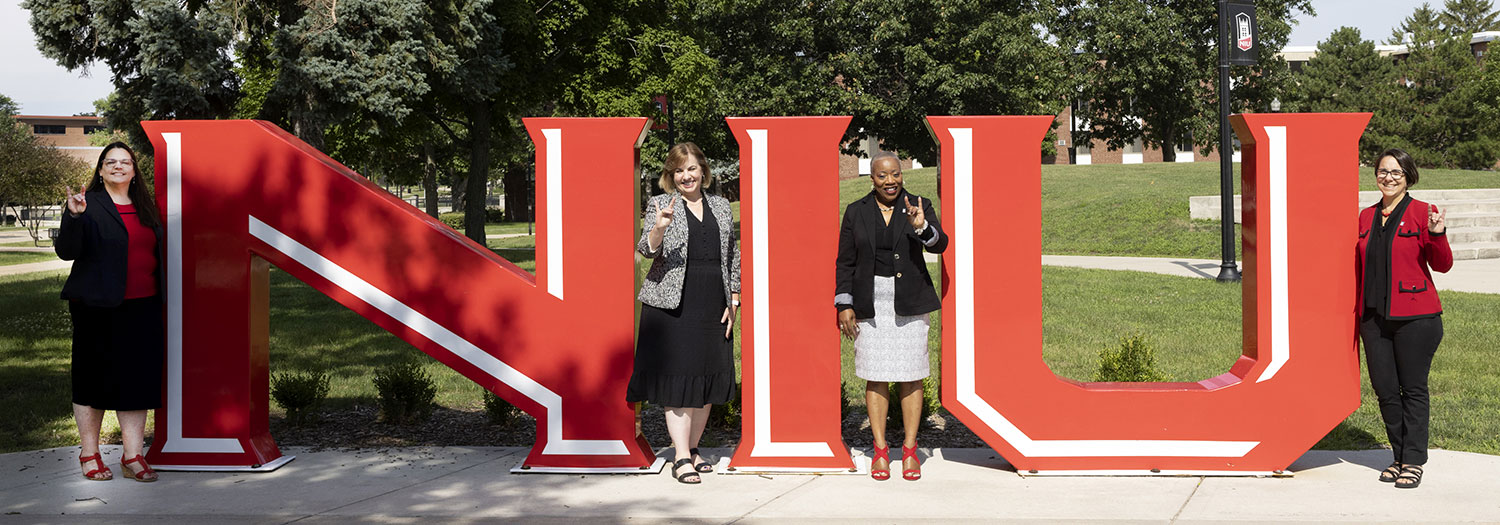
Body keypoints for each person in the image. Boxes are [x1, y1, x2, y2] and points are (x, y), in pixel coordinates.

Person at [627, 142, 741, 485]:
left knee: (706, 376)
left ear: (702, 170)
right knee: (678, 379)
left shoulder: (721, 206)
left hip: (712, 302)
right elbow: (646, 251)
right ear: (670, 175)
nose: (685, 176)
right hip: (670, 305)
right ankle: (679, 457)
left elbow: (732, 254)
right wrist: (659, 226)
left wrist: (734, 300)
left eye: (690, 168)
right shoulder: (660, 204)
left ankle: (693, 449)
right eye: (678, 171)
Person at [55, 142, 165, 482]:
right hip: (96, 307)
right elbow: (66, 251)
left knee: (136, 379)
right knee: (93, 378)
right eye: (111, 162)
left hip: (143, 304)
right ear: (101, 170)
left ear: (134, 171)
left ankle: (133, 456)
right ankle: (90, 453)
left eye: (125, 162)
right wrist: (73, 216)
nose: (119, 166)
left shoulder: (148, 207)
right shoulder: (87, 205)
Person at [835, 152, 947, 481]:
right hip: (870, 304)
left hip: (909, 303)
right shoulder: (856, 211)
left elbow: (940, 245)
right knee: (877, 374)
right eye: (883, 175)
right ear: (872, 178)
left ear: (902, 174)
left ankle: (910, 449)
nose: (890, 181)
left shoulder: (918, 204)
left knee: (912, 374)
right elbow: (845, 262)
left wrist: (922, 226)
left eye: (895, 174)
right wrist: (845, 304)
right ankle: (881, 450)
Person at [1356, 147, 1451, 489]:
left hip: (1417, 318)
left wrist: (1438, 234)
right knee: (1385, 390)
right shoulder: (1365, 217)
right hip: (1373, 318)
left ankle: (1413, 460)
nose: (1389, 178)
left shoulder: (1424, 213)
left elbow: (1442, 265)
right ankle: (1398, 456)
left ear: (1408, 176)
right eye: (1383, 171)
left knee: (1412, 389)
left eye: (1396, 172)